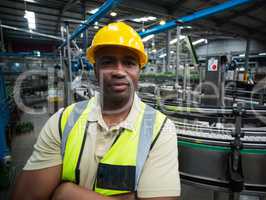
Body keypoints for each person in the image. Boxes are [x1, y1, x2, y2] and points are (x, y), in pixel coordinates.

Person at [12, 22, 180, 200]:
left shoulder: (160, 129)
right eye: (108, 62)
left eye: (129, 63)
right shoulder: (63, 122)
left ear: (139, 71)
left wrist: (66, 193)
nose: (119, 71)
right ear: (95, 69)